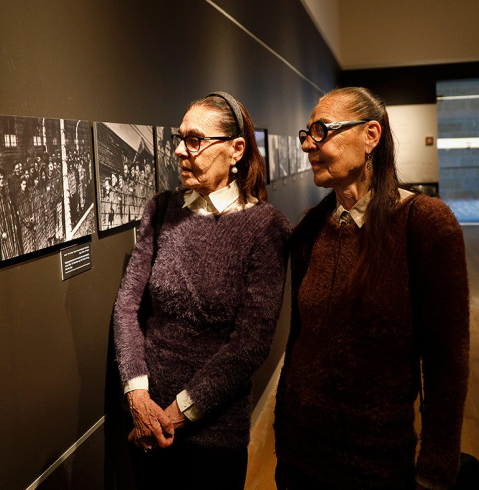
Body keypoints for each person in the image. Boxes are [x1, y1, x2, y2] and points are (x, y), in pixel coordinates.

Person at [274, 87, 470, 490]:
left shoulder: (424, 223)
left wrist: (436, 466)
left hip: (376, 466)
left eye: (321, 131)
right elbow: (299, 342)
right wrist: (281, 432)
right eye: (305, 135)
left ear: (371, 136)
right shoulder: (310, 228)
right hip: (299, 457)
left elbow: (447, 361)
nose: (309, 145)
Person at [112, 91, 291, 489]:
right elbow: (127, 307)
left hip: (213, 431)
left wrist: (175, 414)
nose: (179, 151)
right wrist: (139, 398)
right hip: (145, 420)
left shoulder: (265, 228)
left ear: (236, 149)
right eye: (179, 139)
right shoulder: (161, 209)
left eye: (194, 140)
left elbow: (250, 343)